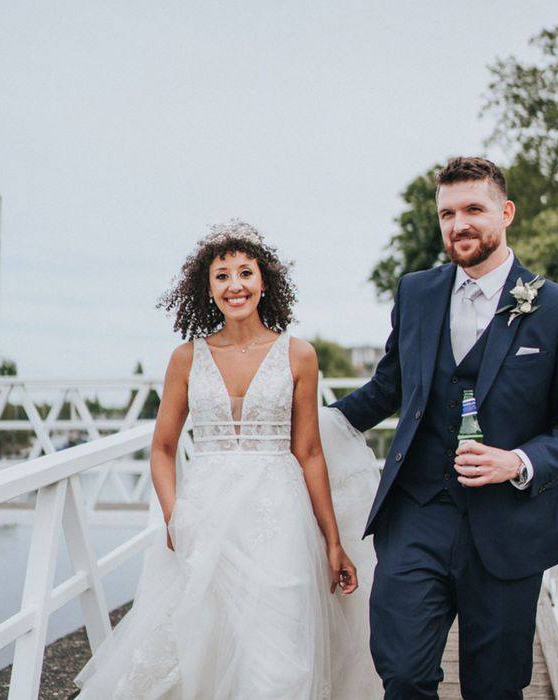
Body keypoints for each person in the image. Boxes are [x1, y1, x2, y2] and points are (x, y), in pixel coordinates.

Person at [75, 220, 382, 699]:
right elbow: (161, 448)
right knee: (202, 643)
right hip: (204, 517)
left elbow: (309, 451)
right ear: (208, 288)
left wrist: (332, 541)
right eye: (222, 275)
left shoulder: (299, 355)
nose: (235, 284)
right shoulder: (185, 358)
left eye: (245, 272)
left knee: (279, 654)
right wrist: (175, 518)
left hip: (279, 519)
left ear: (264, 282)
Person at [333, 157, 558, 699]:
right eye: (447, 213)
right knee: (402, 672)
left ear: (506, 212)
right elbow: (388, 388)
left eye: (473, 209)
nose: (459, 224)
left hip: (508, 526)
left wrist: (516, 462)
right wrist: (308, 425)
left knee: (495, 688)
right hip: (417, 513)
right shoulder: (416, 292)